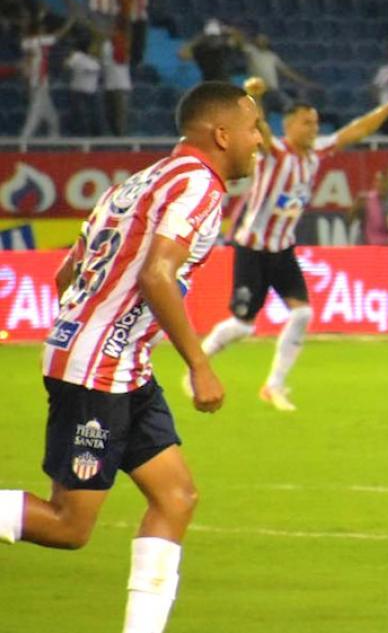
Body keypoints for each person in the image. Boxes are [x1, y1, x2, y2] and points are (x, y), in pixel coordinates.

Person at [0, 81, 262, 633]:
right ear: (221, 134)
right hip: (99, 371)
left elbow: (66, 272)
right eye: (252, 128)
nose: (259, 140)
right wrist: (200, 364)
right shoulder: (199, 186)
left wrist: (94, 327)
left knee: (177, 497)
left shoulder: (141, 180)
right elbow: (157, 275)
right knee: (69, 525)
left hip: (118, 365)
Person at [195, 77, 388, 412]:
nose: (313, 129)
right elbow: (259, 128)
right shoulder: (275, 152)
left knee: (303, 313)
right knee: (242, 326)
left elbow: (357, 130)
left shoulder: (317, 152)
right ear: (289, 126)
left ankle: (274, 385)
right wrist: (252, 97)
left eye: (315, 123)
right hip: (253, 248)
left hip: (282, 249)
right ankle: (199, 361)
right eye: (306, 123)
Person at [20, 8, 77, 140]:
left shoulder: (30, 42)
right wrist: (71, 22)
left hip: (40, 82)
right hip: (38, 82)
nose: (43, 29)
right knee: (34, 115)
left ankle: (54, 139)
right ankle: (23, 140)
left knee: (52, 118)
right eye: (41, 28)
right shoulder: (37, 41)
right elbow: (58, 35)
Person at [242, 33, 318, 111]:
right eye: (260, 39)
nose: (262, 41)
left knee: (290, 106)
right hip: (258, 91)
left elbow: (286, 71)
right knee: (260, 112)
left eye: (264, 39)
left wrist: (305, 82)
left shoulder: (272, 56)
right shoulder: (251, 51)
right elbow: (240, 41)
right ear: (256, 40)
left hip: (272, 90)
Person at [65, 36, 106, 136]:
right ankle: (81, 138)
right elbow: (66, 65)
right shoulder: (77, 56)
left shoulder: (96, 59)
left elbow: (100, 73)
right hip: (78, 92)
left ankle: (97, 138)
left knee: (97, 116)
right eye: (93, 46)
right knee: (81, 118)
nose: (96, 48)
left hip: (92, 91)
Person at [102, 13, 132, 135]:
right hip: (110, 84)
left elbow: (122, 58)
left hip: (121, 84)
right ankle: (114, 136)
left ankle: (121, 137)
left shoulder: (121, 42)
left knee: (120, 115)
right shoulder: (106, 44)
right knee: (111, 114)